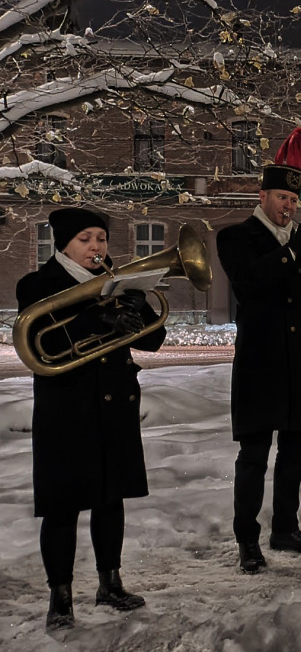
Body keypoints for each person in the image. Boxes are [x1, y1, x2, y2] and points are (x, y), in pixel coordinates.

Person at [16, 207, 166, 631]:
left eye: (100, 238)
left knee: (110, 499)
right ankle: (59, 596)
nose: (96, 247)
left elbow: (154, 340)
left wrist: (137, 305)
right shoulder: (36, 283)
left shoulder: (118, 281)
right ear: (64, 243)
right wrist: (99, 314)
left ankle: (110, 582)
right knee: (62, 506)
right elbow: (44, 337)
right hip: (67, 408)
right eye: (85, 239)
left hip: (115, 402)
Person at [216, 127, 301, 573]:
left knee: (295, 453)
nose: (289, 207)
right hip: (262, 362)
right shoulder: (236, 237)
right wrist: (296, 249)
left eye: (294, 201)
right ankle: (247, 540)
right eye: (282, 199)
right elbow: (251, 284)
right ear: (264, 195)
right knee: (253, 456)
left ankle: (285, 528)